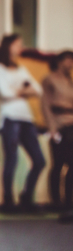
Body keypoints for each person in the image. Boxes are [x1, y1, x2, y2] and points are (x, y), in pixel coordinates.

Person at [0, 34, 45, 211]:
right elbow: (4, 93)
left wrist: (17, 90)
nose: (20, 48)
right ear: (8, 46)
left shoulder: (21, 69)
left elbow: (37, 90)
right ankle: (8, 200)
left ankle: (26, 197)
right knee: (12, 159)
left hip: (26, 119)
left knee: (39, 160)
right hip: (10, 118)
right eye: (18, 44)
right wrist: (23, 89)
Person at [41, 50, 73, 220]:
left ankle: (69, 203)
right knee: (58, 164)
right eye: (67, 60)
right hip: (59, 125)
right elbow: (45, 104)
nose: (70, 64)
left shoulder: (70, 82)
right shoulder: (50, 79)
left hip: (71, 124)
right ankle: (57, 201)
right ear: (59, 61)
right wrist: (52, 128)